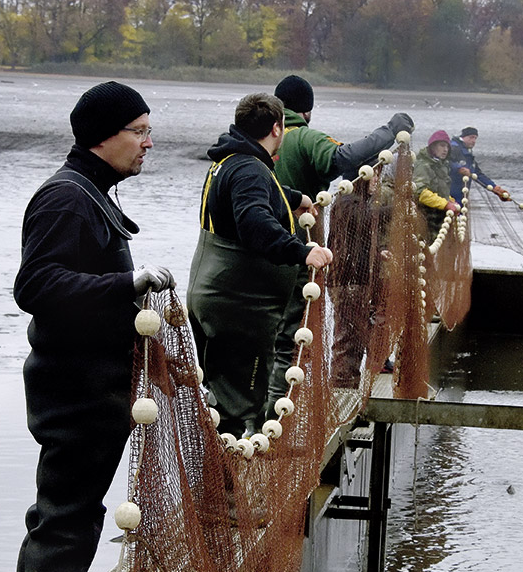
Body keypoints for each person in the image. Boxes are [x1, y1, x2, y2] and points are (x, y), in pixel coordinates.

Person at [11, 81, 175, 572]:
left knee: (57, 522)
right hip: (74, 393)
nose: (148, 141)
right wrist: (127, 283)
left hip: (87, 388)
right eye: (138, 130)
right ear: (100, 136)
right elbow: (36, 285)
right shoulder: (64, 198)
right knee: (64, 528)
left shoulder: (88, 193)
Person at [187, 92, 332, 437]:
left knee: (223, 396)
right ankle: (231, 489)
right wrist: (302, 252)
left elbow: (258, 192)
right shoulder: (249, 170)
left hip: (215, 296)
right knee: (240, 407)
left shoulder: (231, 161)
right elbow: (254, 223)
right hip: (238, 309)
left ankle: (221, 479)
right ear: (277, 128)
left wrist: (294, 199)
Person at [264, 74, 413, 406]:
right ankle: (279, 415)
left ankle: (256, 418)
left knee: (269, 339)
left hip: (258, 256)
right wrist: (390, 131)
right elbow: (343, 158)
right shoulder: (302, 139)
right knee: (293, 338)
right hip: (300, 258)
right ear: (307, 112)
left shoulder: (257, 143)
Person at [413, 129, 462, 237]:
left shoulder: (442, 166)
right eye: (442, 146)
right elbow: (420, 192)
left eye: (447, 147)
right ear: (432, 146)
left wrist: (451, 202)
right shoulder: (423, 165)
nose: (445, 150)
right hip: (426, 219)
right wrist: (445, 204)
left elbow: (440, 191)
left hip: (440, 218)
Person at [448, 126, 511, 203]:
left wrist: (495, 188)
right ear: (463, 137)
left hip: (461, 194)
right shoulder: (453, 148)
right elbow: (445, 162)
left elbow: (477, 174)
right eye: (471, 137)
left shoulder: (468, 154)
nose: (474, 141)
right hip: (448, 193)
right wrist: (458, 168)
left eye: (475, 138)